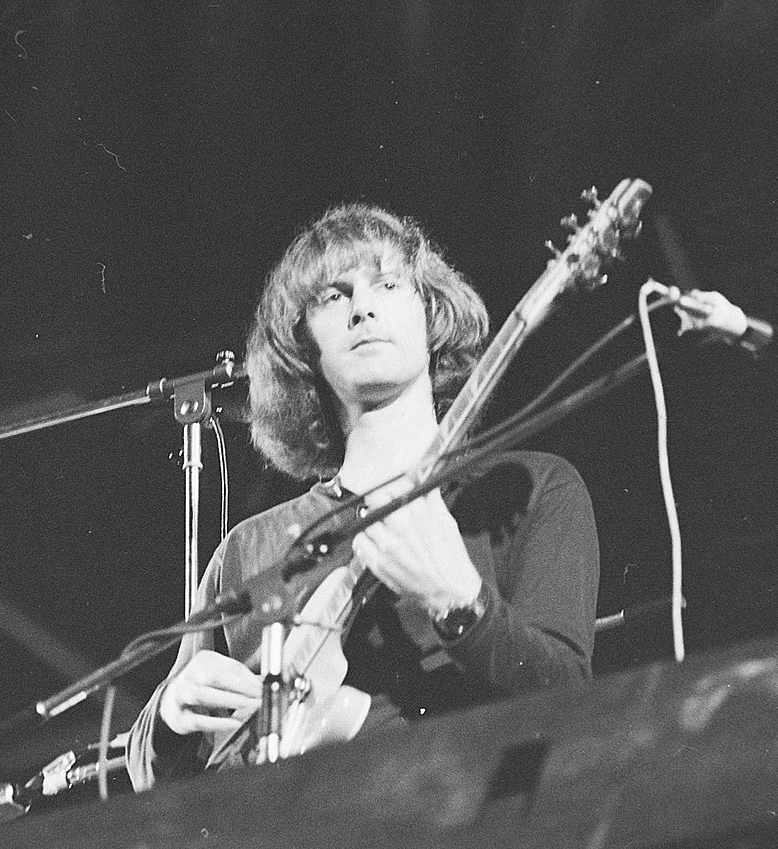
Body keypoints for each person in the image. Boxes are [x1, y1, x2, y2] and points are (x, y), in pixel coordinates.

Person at [126, 204, 600, 790]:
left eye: (388, 283)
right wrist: (170, 718)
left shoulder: (534, 488)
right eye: (333, 295)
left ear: (431, 317)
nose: (363, 308)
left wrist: (460, 604)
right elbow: (152, 769)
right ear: (305, 349)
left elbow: (570, 699)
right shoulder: (251, 548)